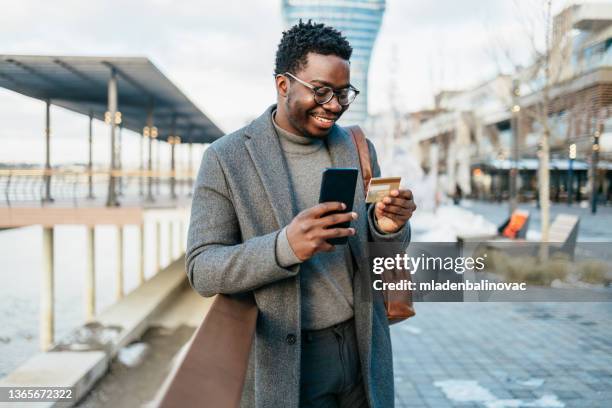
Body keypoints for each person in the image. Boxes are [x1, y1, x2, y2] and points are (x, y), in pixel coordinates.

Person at [186, 20, 416, 408]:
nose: (334, 106)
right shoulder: (226, 159)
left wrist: (388, 227)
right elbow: (202, 268)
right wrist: (284, 247)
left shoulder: (358, 146)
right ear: (283, 84)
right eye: (322, 91)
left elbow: (380, 254)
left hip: (363, 348)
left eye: (344, 94)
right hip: (288, 362)